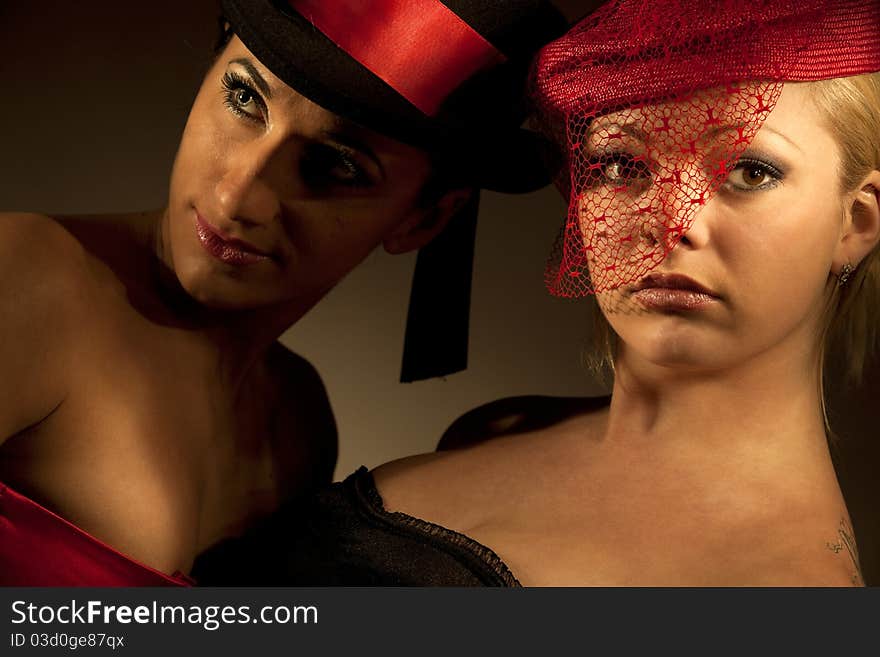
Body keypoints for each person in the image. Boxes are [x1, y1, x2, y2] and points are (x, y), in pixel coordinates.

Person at [192, 0, 880, 586]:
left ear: (858, 221)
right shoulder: (497, 428)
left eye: (750, 172)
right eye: (621, 164)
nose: (673, 225)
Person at [0, 0, 567, 585]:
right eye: (245, 98)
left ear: (422, 221)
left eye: (336, 165)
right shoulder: (25, 277)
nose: (238, 197)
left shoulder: (300, 427)